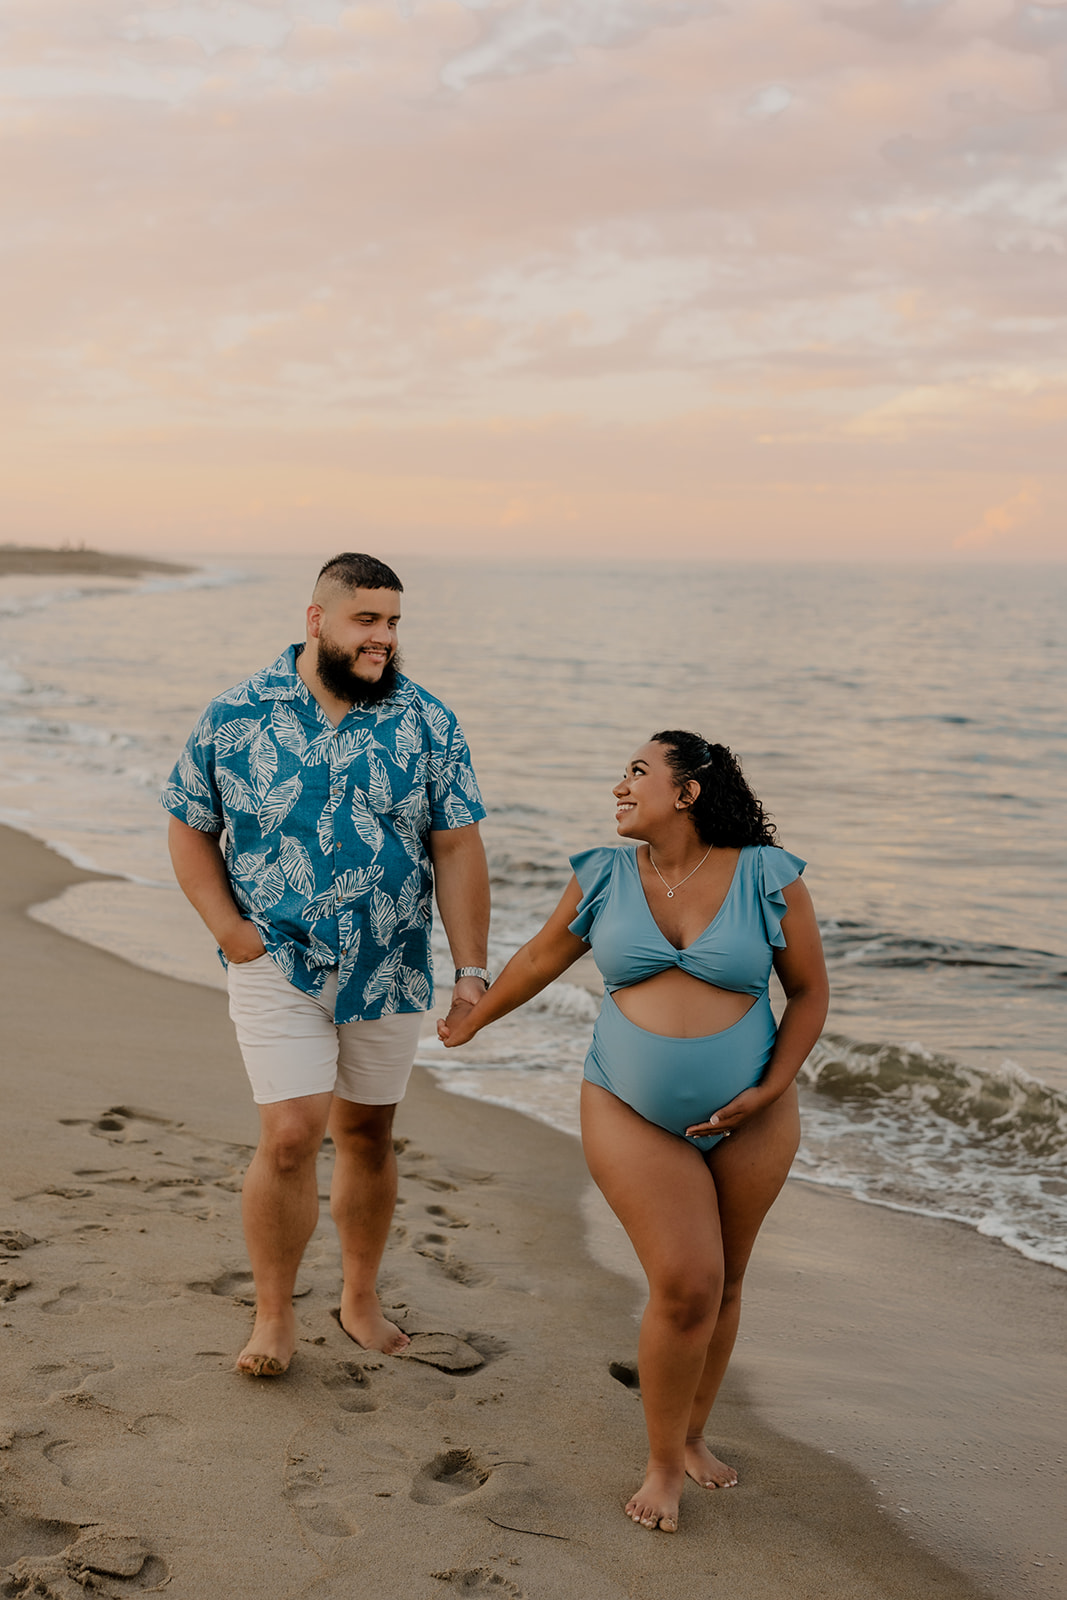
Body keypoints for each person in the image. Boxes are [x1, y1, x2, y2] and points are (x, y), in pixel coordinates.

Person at [439, 730, 828, 1534]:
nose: (619, 786)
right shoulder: (603, 875)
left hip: (754, 1114)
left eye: (637, 773)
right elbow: (542, 959)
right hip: (627, 1105)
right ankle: (659, 1464)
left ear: (686, 793)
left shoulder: (766, 875)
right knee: (686, 1280)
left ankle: (690, 1436)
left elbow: (809, 994)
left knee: (725, 1281)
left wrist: (768, 1090)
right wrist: (474, 1016)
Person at [162, 553, 491, 1376]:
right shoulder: (236, 715)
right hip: (276, 956)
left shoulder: (427, 722)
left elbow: (456, 847)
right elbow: (189, 825)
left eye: (393, 624)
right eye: (367, 621)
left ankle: (358, 1296)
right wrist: (228, 928)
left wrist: (471, 970)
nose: (383, 639)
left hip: (389, 962)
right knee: (289, 1136)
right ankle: (273, 1316)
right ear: (317, 619)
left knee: (369, 1134)